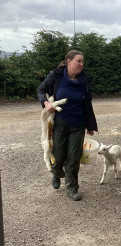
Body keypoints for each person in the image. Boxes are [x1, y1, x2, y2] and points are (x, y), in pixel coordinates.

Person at [37, 50, 98, 201]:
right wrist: (46, 103)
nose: (82, 64)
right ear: (69, 61)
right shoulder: (56, 75)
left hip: (78, 124)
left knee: (74, 157)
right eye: (79, 61)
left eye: (83, 62)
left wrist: (90, 125)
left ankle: (72, 188)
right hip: (59, 124)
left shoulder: (84, 80)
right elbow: (41, 90)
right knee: (58, 156)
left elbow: (87, 105)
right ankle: (56, 173)